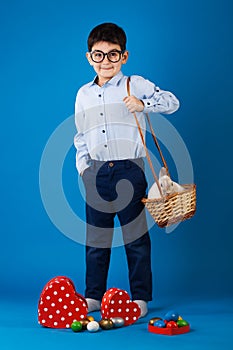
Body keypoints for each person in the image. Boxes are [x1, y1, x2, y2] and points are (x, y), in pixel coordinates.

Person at [74, 22, 179, 317]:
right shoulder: (83, 94)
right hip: (96, 173)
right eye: (98, 54)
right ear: (88, 57)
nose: (105, 61)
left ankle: (141, 298)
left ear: (124, 56)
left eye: (112, 54)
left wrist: (143, 103)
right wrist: (84, 168)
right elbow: (80, 134)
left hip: (129, 171)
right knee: (97, 239)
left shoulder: (135, 83)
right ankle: (93, 296)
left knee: (135, 237)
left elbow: (173, 102)